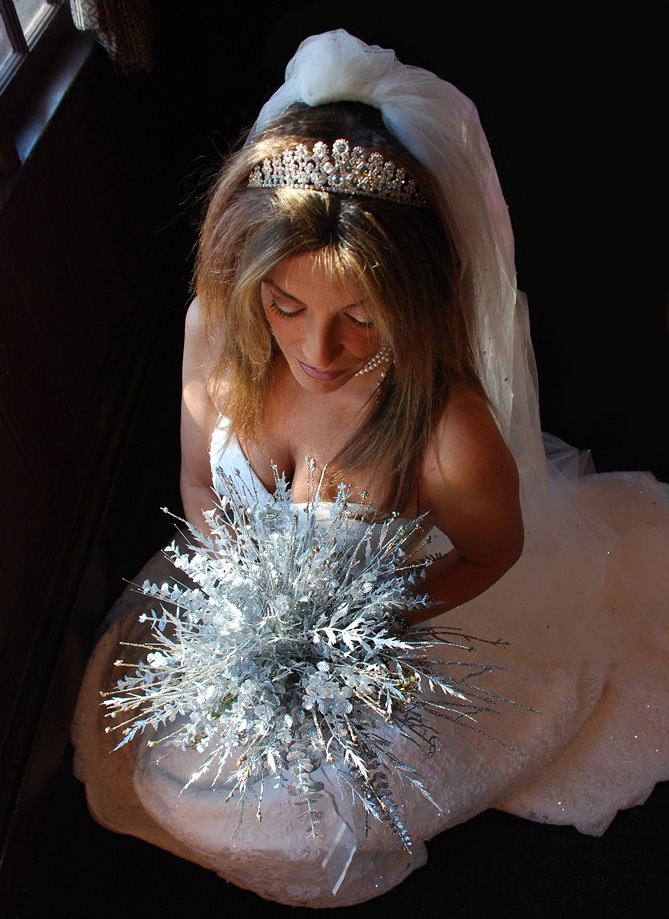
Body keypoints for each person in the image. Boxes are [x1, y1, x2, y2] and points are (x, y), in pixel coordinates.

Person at [71, 31, 669, 908]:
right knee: (169, 774)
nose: (319, 349)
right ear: (247, 287)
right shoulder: (215, 335)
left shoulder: (448, 433)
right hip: (239, 608)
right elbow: (201, 481)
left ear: (414, 300)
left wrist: (374, 623)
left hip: (372, 643)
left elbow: (490, 553)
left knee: (316, 825)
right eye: (285, 304)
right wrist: (240, 604)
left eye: (361, 316)